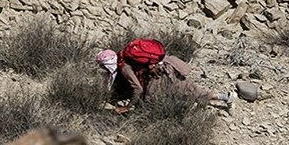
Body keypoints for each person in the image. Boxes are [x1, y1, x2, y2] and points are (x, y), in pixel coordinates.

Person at [95, 44, 234, 113]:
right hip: (169, 67)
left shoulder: (124, 67)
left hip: (163, 77)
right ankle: (223, 97)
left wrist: (128, 107)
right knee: (190, 89)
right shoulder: (123, 55)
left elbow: (137, 88)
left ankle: (225, 97)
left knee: (191, 92)